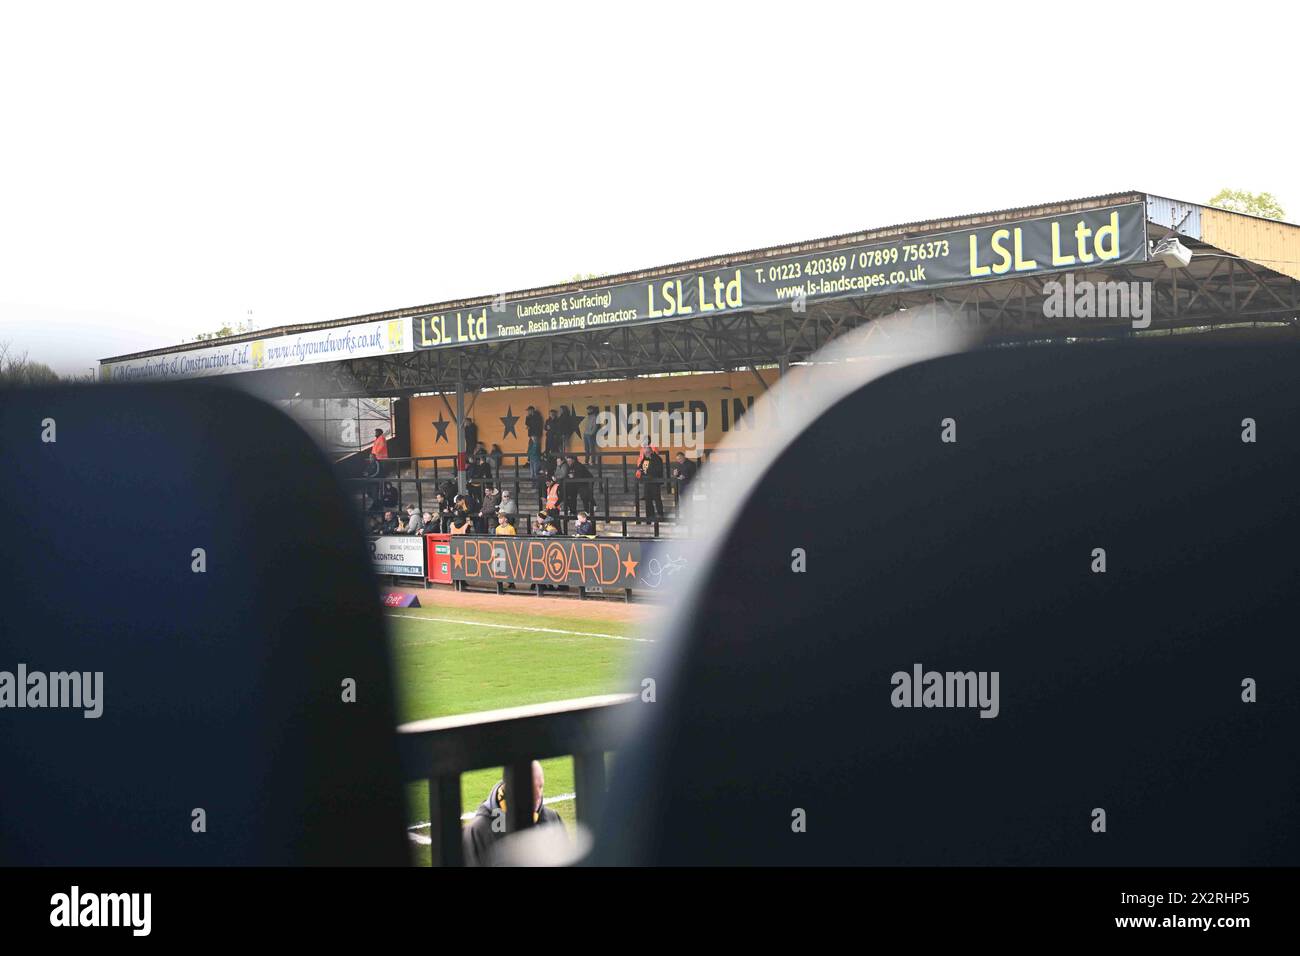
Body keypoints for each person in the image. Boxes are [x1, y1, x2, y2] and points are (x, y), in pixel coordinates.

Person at [462, 761, 565, 867]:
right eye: (530, 789)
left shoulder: (553, 819)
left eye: (540, 786)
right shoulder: (476, 833)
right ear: (510, 788)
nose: (538, 796)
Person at [642, 448, 665, 520]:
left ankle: (660, 514)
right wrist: (641, 471)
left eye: (647, 452)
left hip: (655, 482)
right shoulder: (645, 459)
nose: (646, 454)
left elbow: (658, 470)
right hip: (647, 482)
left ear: (651, 452)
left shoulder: (657, 459)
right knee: (648, 498)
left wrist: (649, 473)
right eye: (645, 453)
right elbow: (643, 469)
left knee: (657, 498)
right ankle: (649, 514)